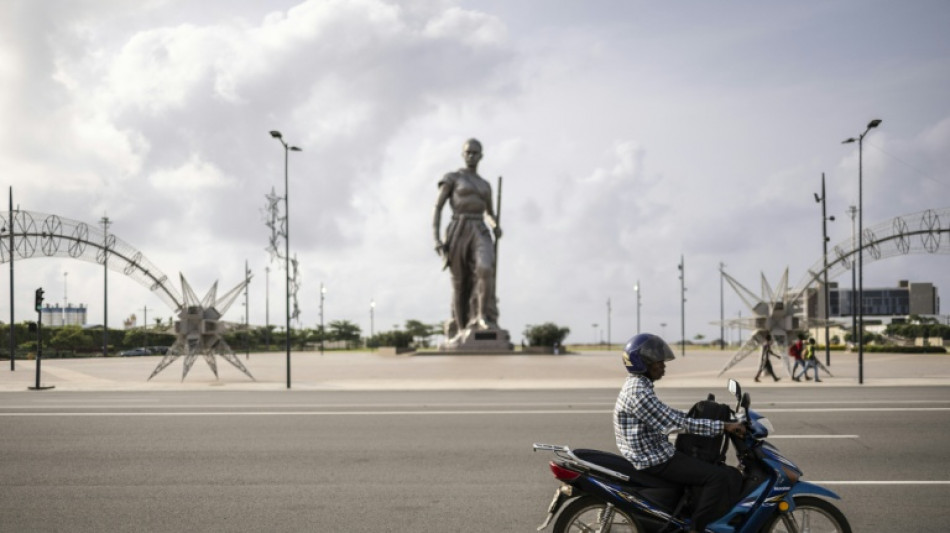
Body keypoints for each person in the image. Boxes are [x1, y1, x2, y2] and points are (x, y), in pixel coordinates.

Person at [614, 333, 745, 533]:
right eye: (658, 361)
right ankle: (697, 529)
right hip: (654, 458)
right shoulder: (638, 393)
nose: (663, 365)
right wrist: (723, 426)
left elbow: (666, 413)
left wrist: (700, 417)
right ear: (643, 363)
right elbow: (674, 422)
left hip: (652, 451)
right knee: (716, 477)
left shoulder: (639, 385)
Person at [432, 139, 502, 341]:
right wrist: (436, 239)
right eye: (468, 152)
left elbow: (489, 213)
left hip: (479, 228)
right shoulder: (452, 178)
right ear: (463, 155)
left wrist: (495, 225)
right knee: (460, 283)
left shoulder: (485, 185)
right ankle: (461, 327)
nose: (471, 156)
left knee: (486, 268)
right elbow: (437, 207)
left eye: (475, 153)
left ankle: (482, 316)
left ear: (481, 156)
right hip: (458, 229)